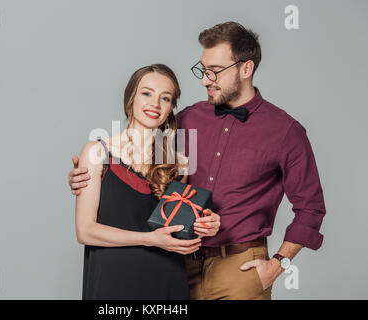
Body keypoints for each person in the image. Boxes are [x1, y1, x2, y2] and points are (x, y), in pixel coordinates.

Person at [69, 22, 326, 300]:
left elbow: (311, 208)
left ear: (246, 69)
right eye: (203, 71)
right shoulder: (187, 120)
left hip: (238, 268)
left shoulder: (285, 131)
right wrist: (89, 176)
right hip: (178, 263)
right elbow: (140, 168)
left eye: (214, 72)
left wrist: (278, 265)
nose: (204, 80)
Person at [75, 64, 220, 300]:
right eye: (147, 93)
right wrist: (147, 239)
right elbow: (85, 231)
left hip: (167, 281)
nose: (155, 104)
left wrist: (206, 223)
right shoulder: (96, 152)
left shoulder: (178, 163)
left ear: (172, 107)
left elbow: (178, 230)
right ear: (130, 96)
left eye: (165, 98)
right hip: (113, 283)